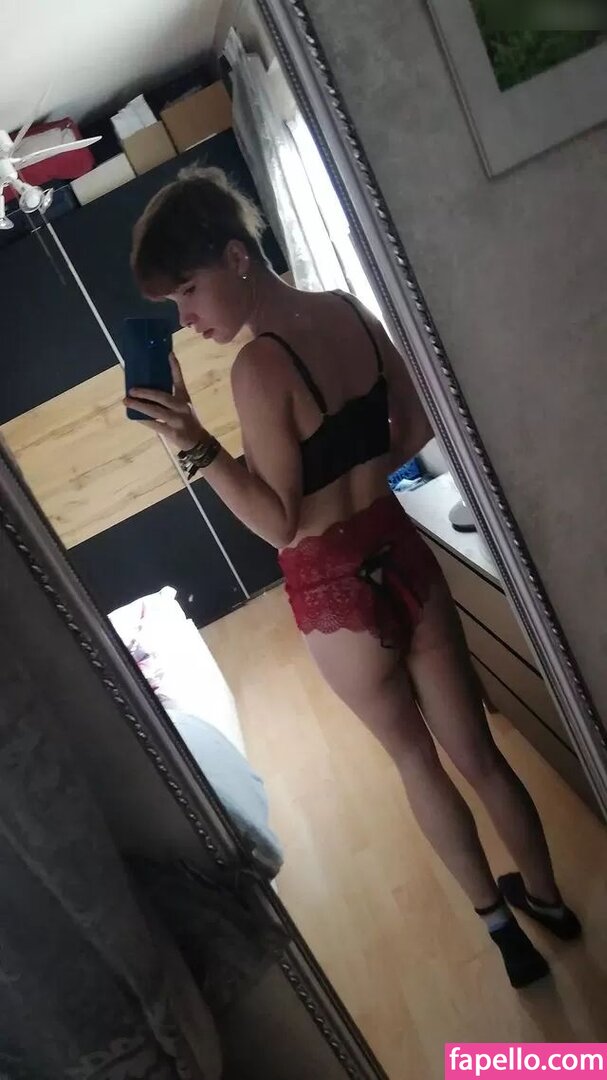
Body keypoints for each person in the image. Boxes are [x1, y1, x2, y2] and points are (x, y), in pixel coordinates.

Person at [127, 165, 580, 989]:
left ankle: (502, 935)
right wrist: (363, 470)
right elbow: (416, 420)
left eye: (187, 290)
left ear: (236, 257)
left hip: (332, 591)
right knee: (478, 755)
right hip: (400, 552)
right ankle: (548, 902)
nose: (186, 319)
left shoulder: (258, 367)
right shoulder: (345, 309)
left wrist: (193, 442)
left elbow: (278, 523)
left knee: (416, 761)